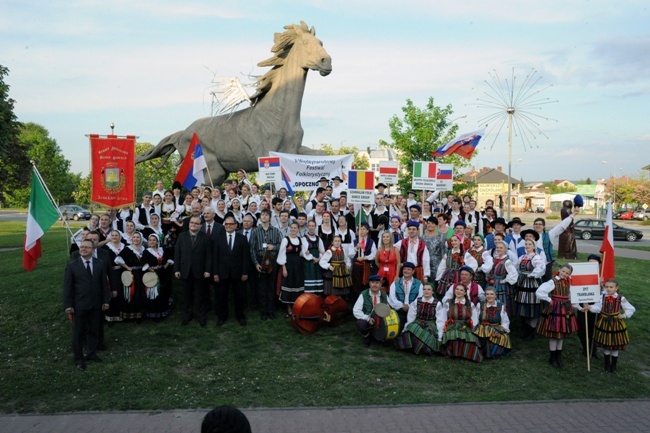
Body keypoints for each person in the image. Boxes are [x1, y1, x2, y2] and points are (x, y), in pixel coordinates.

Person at [63, 239, 110, 371]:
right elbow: (67, 287)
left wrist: (106, 301)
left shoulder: (99, 264)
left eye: (87, 247)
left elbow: (103, 285)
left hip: (96, 304)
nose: (83, 249)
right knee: (78, 333)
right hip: (79, 305)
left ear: (93, 250)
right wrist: (68, 304)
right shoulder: (72, 265)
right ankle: (79, 359)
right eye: (82, 247)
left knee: (94, 330)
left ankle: (91, 353)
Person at [535, 263, 579, 368]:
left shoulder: (569, 283)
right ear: (559, 270)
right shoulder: (552, 282)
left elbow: (571, 297)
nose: (564, 274)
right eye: (563, 271)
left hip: (565, 310)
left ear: (570, 274)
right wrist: (549, 299)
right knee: (554, 334)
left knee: (562, 334)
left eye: (567, 273)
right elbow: (540, 291)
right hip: (555, 309)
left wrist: (578, 307)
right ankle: (552, 357)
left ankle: (558, 356)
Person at [174, 216, 212, 327]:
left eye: (196, 223)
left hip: (200, 271)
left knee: (200, 296)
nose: (193, 224)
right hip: (185, 270)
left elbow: (209, 255)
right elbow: (178, 254)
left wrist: (208, 270)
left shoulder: (205, 237)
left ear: (201, 225)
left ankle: (201, 317)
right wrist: (176, 269)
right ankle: (187, 317)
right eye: (192, 223)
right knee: (187, 296)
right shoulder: (182, 236)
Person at [213, 215, 250, 326]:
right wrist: (215, 273)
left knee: (239, 297)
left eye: (231, 224)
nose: (228, 226)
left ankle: (240, 316)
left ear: (235, 225)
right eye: (226, 224)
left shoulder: (242, 239)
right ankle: (222, 317)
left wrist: (245, 272)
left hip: (238, 273)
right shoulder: (218, 238)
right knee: (222, 296)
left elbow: (245, 257)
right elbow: (215, 257)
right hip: (222, 273)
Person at [594, 278, 635, 373]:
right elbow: (597, 308)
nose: (608, 289)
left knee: (615, 344)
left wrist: (624, 315)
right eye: (607, 287)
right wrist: (590, 307)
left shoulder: (621, 298)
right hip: (604, 323)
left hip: (616, 324)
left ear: (616, 288)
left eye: (611, 287)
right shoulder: (602, 297)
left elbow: (631, 309)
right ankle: (607, 364)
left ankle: (614, 365)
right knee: (606, 344)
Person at [249, 209, 282, 320]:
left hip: (272, 260)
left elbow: (281, 245)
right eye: (262, 215)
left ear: (270, 217)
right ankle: (263, 311)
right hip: (260, 259)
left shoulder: (276, 231)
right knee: (262, 286)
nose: (264, 217)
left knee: (271, 286)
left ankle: (271, 310)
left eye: (266, 215)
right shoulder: (255, 231)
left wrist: (274, 247)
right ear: (260, 217)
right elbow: (252, 249)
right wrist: (256, 263)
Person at [439, 283, 482, 362]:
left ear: (465, 293)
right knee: (453, 335)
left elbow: (475, 319)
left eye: (461, 290)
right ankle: (454, 354)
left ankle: (466, 354)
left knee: (469, 339)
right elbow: (443, 318)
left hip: (466, 326)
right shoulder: (448, 303)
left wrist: (473, 329)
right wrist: (441, 332)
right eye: (457, 289)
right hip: (452, 325)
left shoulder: (470, 304)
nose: (458, 291)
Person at [394, 283, 442, 355]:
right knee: (413, 327)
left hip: (430, 324)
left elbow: (440, 320)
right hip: (418, 322)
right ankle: (414, 346)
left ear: (433, 292)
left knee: (425, 336)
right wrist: (405, 328)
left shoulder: (437, 303)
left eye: (429, 289)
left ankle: (419, 347)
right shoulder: (417, 301)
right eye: (424, 289)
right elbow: (411, 316)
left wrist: (440, 336)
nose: (426, 291)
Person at [514, 236, 546, 340]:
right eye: (526, 244)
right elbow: (517, 268)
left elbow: (541, 268)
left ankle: (531, 331)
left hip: (532, 284)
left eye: (529, 244)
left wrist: (532, 275)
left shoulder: (536, 257)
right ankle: (526, 329)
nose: (527, 246)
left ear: (534, 246)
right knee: (524, 307)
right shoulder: (522, 257)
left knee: (532, 307)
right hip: (522, 283)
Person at [115, 231, 147, 322]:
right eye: (134, 237)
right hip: (132, 274)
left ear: (141, 239)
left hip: (142, 273)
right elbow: (118, 259)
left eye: (138, 237)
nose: (136, 239)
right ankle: (129, 315)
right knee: (132, 293)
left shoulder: (143, 248)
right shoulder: (127, 249)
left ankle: (139, 315)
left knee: (141, 293)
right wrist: (127, 267)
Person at [435, 234, 478, 300]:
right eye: (452, 241)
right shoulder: (448, 253)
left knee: (458, 292)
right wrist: (439, 278)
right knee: (446, 293)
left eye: (455, 240)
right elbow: (442, 266)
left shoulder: (464, 253)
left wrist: (465, 272)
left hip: (459, 277)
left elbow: (474, 264)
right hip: (447, 276)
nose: (453, 242)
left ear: (460, 241)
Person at [142, 233, 174, 320]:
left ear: (157, 241)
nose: (152, 242)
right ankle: (153, 313)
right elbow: (144, 264)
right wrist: (152, 269)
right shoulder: (146, 251)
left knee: (162, 293)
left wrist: (164, 266)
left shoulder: (162, 250)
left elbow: (168, 260)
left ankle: (162, 312)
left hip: (163, 275)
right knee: (153, 294)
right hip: (152, 276)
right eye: (150, 240)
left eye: (154, 240)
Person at [474, 287, 511, 359]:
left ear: (495, 295)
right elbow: (475, 319)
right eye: (487, 294)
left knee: (502, 337)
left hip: (496, 327)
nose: (489, 296)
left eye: (491, 294)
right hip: (483, 327)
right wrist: (476, 328)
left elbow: (505, 321)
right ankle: (487, 353)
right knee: (486, 334)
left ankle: (494, 353)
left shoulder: (500, 306)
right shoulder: (480, 305)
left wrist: (504, 329)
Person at [277, 222, 305, 314]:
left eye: (295, 228)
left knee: (297, 284)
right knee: (288, 284)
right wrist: (284, 268)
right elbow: (281, 254)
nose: (293, 229)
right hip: (288, 265)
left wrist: (307, 253)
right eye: (292, 228)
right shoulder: (285, 240)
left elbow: (302, 253)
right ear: (290, 229)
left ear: (298, 229)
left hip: (298, 265)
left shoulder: (300, 240)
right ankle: (288, 307)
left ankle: (296, 305)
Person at [352, 274, 388, 346]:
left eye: (377, 283)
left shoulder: (384, 294)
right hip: (367, 317)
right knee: (362, 324)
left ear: (381, 284)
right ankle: (367, 336)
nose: (375, 285)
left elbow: (388, 307)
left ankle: (381, 336)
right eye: (373, 282)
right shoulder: (364, 294)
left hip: (380, 317)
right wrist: (368, 318)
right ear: (369, 284)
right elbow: (356, 310)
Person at [352, 222, 376, 294]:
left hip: (366, 265)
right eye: (360, 229)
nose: (361, 231)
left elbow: (374, 254)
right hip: (357, 266)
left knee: (366, 283)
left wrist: (365, 258)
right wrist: (356, 248)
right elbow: (350, 254)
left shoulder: (371, 242)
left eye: (363, 229)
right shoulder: (355, 241)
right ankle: (357, 299)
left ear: (367, 231)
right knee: (357, 283)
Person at [302, 221, 325, 295]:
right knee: (310, 277)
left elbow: (322, 251)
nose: (311, 227)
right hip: (309, 262)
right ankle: (309, 299)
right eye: (310, 226)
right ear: (307, 227)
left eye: (313, 226)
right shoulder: (304, 238)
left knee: (317, 278)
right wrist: (313, 258)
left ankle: (318, 299)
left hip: (318, 262)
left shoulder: (318, 238)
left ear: (315, 227)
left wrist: (319, 259)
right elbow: (304, 252)